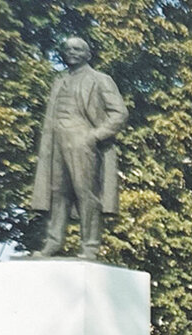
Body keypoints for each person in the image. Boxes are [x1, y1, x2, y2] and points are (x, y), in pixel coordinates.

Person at [31, 36, 128, 260]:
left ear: (87, 54)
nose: (71, 52)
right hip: (56, 144)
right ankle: (53, 242)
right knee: (58, 193)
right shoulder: (59, 81)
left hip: (83, 143)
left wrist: (95, 136)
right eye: (67, 49)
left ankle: (90, 246)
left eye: (77, 49)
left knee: (86, 194)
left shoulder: (100, 80)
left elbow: (120, 113)